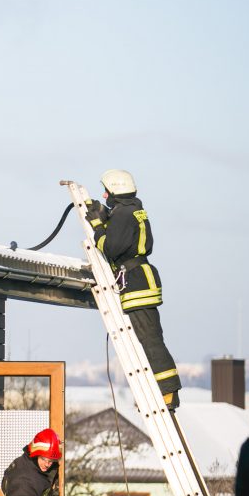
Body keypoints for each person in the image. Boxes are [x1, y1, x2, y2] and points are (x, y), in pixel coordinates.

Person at [86, 169, 182, 412]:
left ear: (116, 192)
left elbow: (111, 248)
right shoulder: (131, 210)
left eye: (106, 191)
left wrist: (97, 225)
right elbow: (125, 238)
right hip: (141, 278)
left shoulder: (123, 215)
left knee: (149, 340)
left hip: (136, 282)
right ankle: (164, 390)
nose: (104, 194)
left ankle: (167, 392)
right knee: (150, 338)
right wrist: (104, 215)